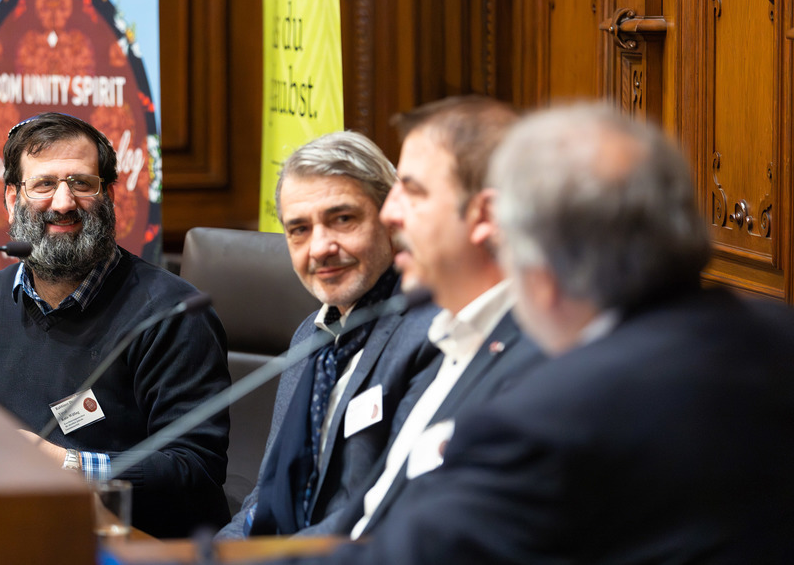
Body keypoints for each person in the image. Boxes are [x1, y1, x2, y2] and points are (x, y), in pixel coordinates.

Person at [282, 104, 794, 564]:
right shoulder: (776, 333)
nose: (392, 214)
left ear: (508, 228)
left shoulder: (549, 414)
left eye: (413, 192)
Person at [0, 112, 231, 539]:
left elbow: (194, 467)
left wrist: (66, 465)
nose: (63, 203)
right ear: (11, 198)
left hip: (133, 547)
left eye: (81, 183)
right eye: (43, 184)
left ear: (109, 195)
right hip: (6, 535)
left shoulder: (173, 313)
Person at [332, 96, 544, 538]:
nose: (390, 213)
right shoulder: (449, 338)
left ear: (483, 215)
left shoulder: (537, 367)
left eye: (413, 190)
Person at [217, 131, 442, 538]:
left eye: (342, 219)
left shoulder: (431, 332)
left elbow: (384, 510)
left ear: (391, 217)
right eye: (299, 229)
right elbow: (263, 499)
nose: (320, 247)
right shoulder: (310, 336)